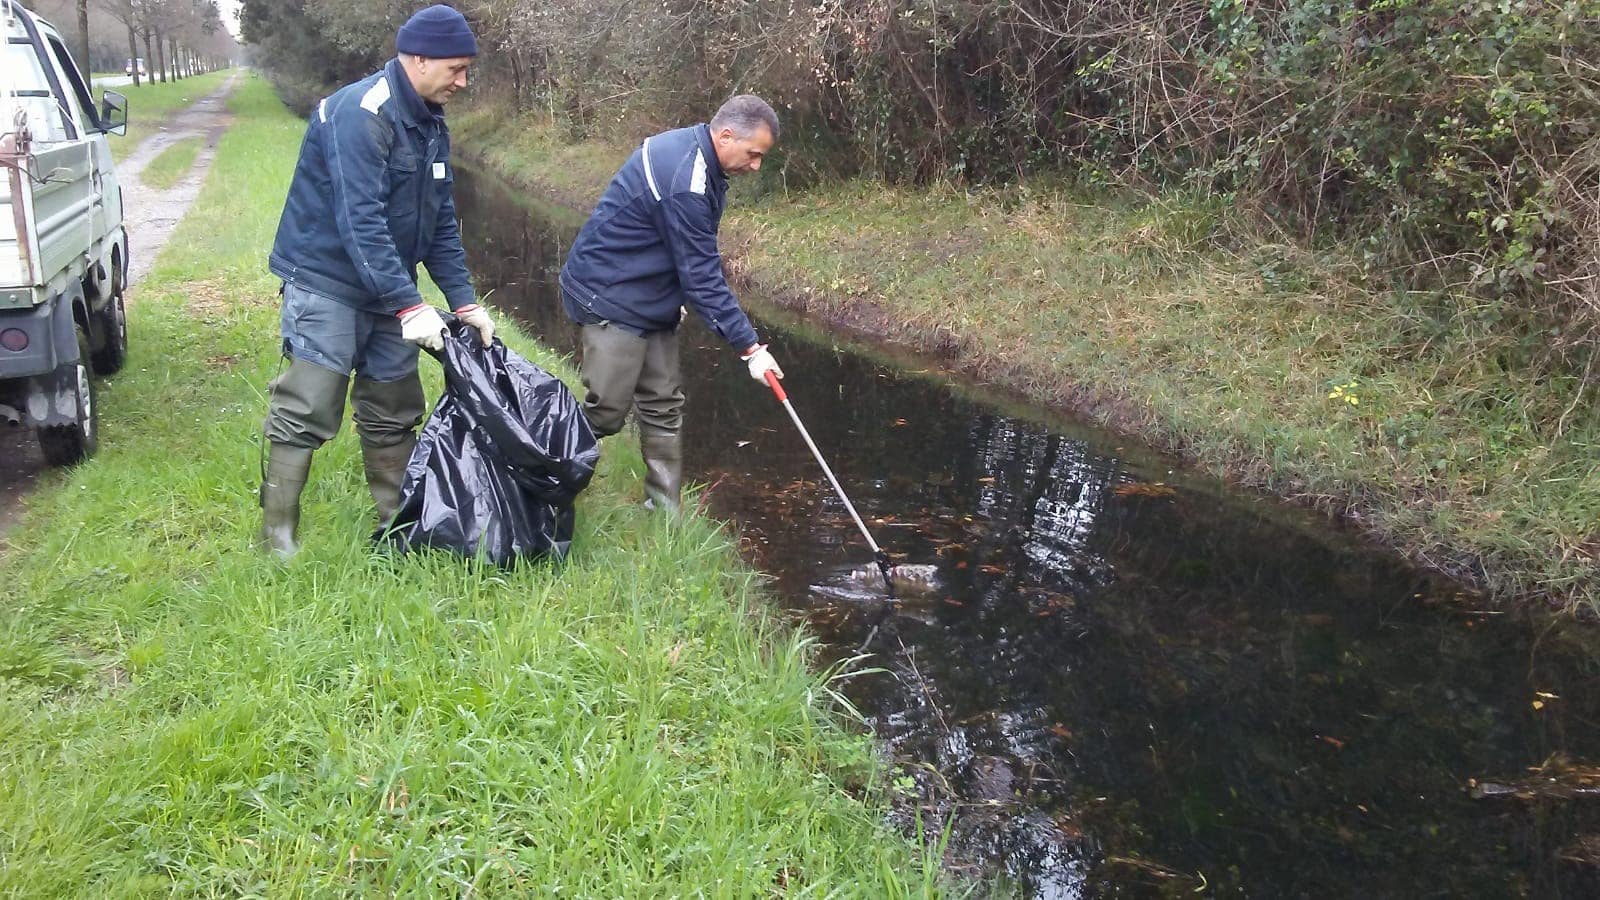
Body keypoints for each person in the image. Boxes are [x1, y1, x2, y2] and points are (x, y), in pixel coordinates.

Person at [258, 4, 495, 558]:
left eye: (467, 70)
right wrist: (410, 307)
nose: (464, 81)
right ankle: (277, 536)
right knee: (307, 407)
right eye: (456, 69)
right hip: (328, 282)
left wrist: (464, 302)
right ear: (417, 59)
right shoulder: (361, 114)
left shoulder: (431, 121)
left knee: (393, 405)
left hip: (390, 288)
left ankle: (397, 523)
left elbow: (438, 224)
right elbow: (358, 222)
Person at [559, 95, 785, 514]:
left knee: (664, 404)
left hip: (649, 293)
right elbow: (701, 274)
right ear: (726, 135)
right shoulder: (687, 176)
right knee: (607, 410)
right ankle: (541, 474)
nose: (756, 166)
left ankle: (663, 514)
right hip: (609, 292)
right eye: (754, 154)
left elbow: (679, 247)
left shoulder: (699, 156)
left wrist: (673, 295)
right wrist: (750, 349)